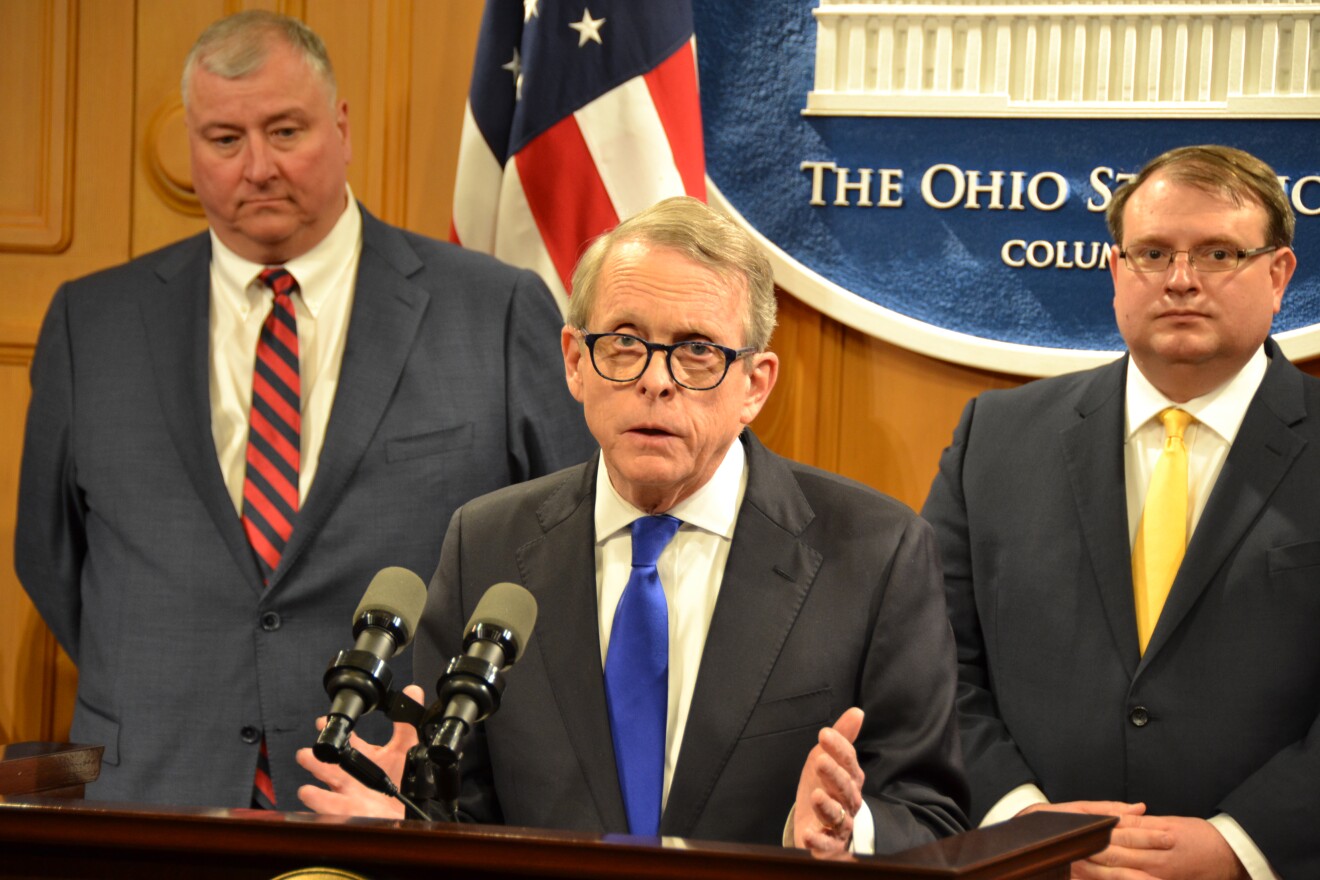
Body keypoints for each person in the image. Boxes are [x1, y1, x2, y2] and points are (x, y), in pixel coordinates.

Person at [14, 10, 593, 810]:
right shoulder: (93, 324)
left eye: (286, 131)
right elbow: (51, 560)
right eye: (225, 140)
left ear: (342, 128)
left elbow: (561, 562)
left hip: (391, 800)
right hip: (153, 798)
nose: (258, 167)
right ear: (192, 144)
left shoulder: (492, 313)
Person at [298, 196, 969, 853]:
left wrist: (848, 833)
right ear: (574, 361)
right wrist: (412, 818)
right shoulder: (486, 545)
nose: (657, 381)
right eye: (624, 343)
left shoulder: (874, 554)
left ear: (756, 386)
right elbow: (464, 808)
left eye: (698, 351)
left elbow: (933, 818)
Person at [922, 145, 1317, 879]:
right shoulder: (994, 441)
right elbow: (932, 665)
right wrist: (1021, 821)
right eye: (1152, 254)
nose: (1180, 281)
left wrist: (1239, 845)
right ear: (1115, 273)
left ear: (1279, 275)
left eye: (1219, 253)